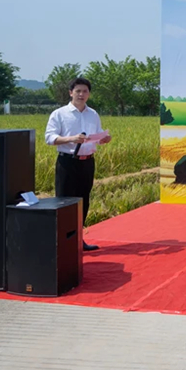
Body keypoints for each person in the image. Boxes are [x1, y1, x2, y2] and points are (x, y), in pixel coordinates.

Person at [45, 77, 111, 252]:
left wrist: (103, 139)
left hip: (87, 162)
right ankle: (61, 242)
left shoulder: (93, 114)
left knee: (83, 201)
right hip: (67, 161)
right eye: (78, 91)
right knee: (64, 202)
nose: (81, 94)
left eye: (85, 91)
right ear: (70, 93)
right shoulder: (59, 114)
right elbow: (49, 138)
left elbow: (96, 135)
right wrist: (71, 139)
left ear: (89, 94)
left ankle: (78, 240)